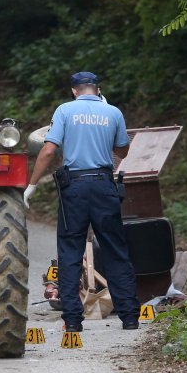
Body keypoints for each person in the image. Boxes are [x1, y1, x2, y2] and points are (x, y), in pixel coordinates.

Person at [24, 71, 140, 332]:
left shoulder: (65, 111)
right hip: (103, 185)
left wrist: (31, 184)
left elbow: (49, 149)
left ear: (74, 90)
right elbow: (122, 150)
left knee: (70, 251)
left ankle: (73, 321)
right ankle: (130, 317)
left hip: (74, 187)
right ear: (97, 89)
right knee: (115, 250)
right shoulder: (113, 112)